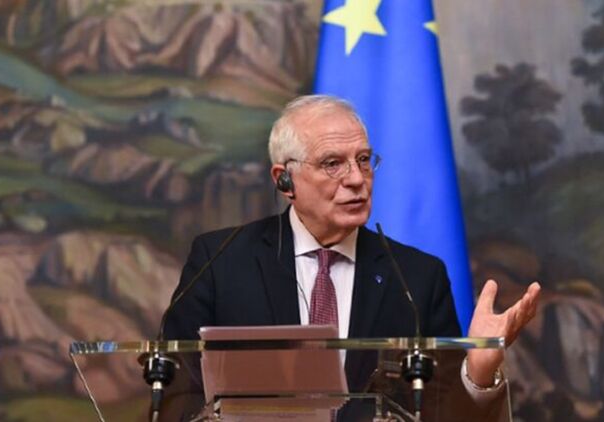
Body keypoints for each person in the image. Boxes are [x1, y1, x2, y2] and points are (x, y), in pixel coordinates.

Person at [163, 95, 541, 417]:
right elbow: (176, 389)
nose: (357, 179)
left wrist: (477, 373)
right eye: (332, 163)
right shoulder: (220, 262)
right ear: (284, 180)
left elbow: (443, 410)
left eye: (363, 159)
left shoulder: (417, 278)